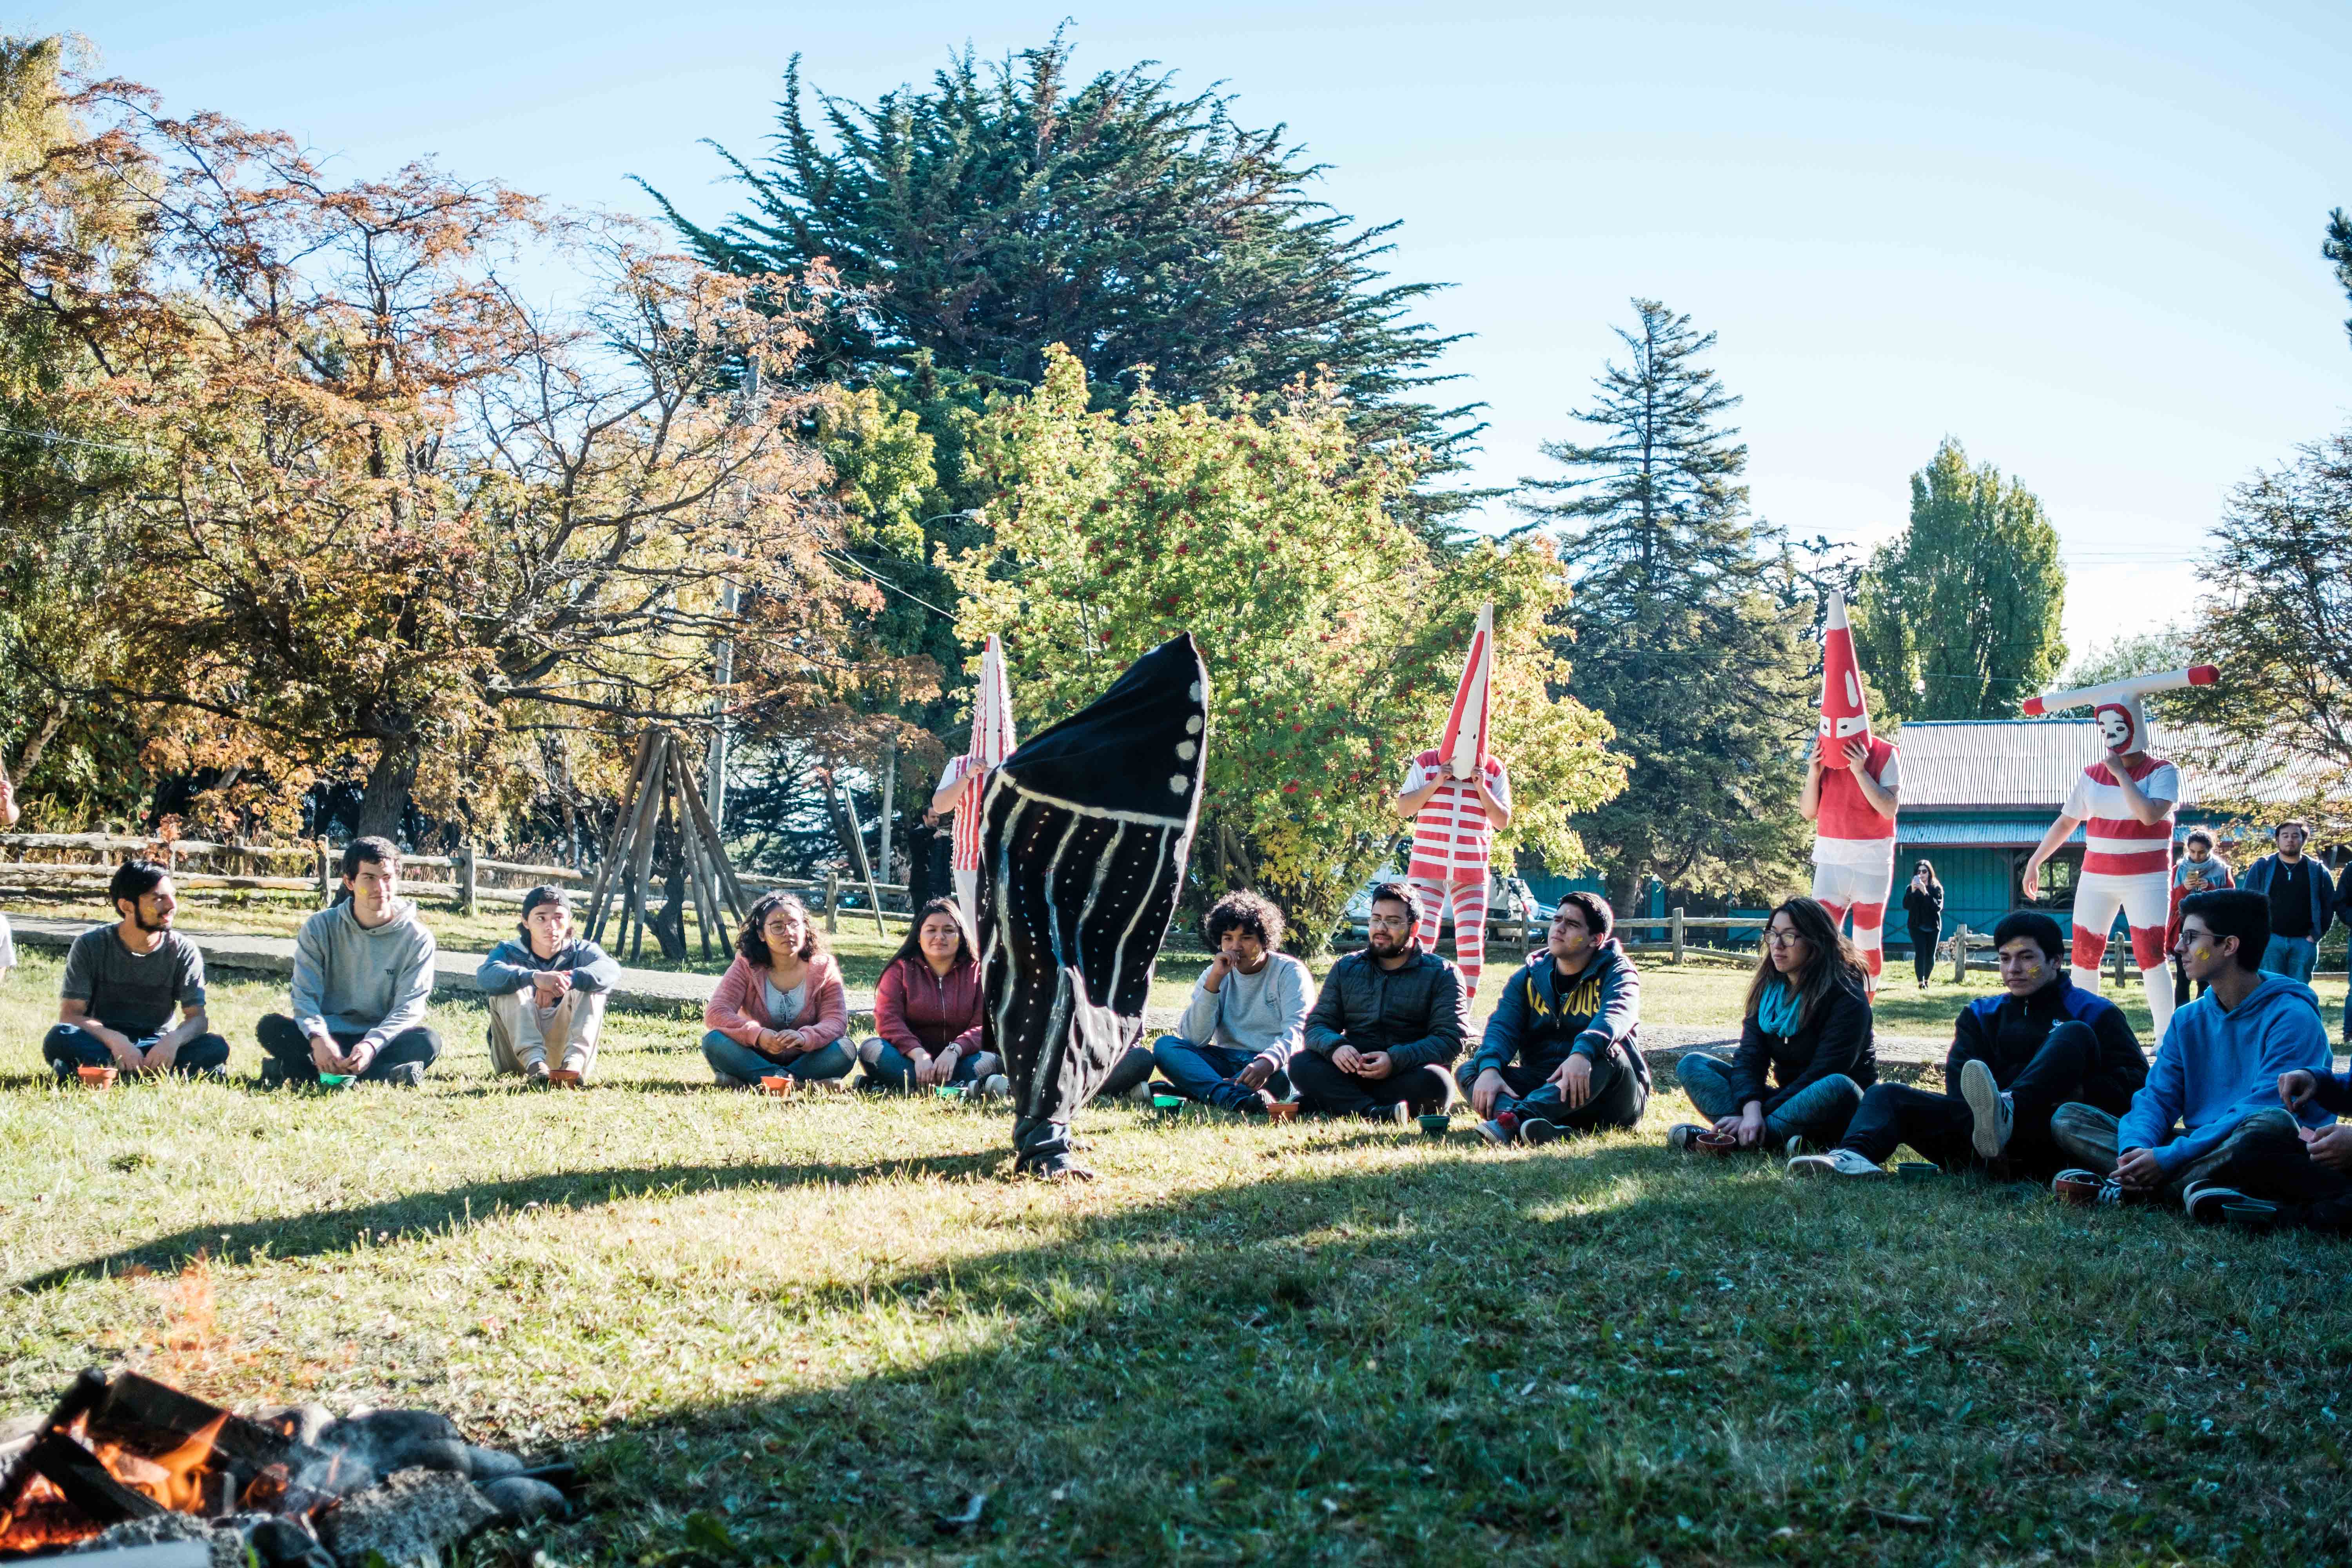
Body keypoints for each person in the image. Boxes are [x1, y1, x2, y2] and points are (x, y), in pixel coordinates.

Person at [1788, 911, 2145, 1178]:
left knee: (2074, 1034)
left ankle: (2010, 1109)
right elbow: (1961, 1091)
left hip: (2051, 1137)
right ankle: (1852, 1156)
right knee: (1888, 1095)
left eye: (2027, 958)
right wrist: (1983, 1133)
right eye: (2005, 959)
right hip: (1981, 1145)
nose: (2013, 969)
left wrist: (2075, 1090)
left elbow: (2138, 1088)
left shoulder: (2095, 1013)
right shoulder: (1981, 1014)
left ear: (2056, 961)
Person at [2049, 889, 2334, 1210]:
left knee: (2271, 1123)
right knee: (2069, 1118)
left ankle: (2136, 1190)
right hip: (2201, 1148)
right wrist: (2137, 1149)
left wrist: (2168, 1158)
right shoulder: (2187, 1019)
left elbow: (2267, 1109)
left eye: (2191, 937)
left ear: (2229, 946)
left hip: (2264, 1147)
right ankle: (2167, 1183)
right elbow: (2158, 1097)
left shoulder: (2293, 1017)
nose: (2178, 947)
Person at [2020, 675, 2192, 1041]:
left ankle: (2167, 1040)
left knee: (2151, 956)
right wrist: (2036, 860)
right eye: (2104, 726)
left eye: (2117, 725)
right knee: (2084, 956)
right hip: (2096, 877)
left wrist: (2120, 774)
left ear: (2135, 725)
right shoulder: (2090, 776)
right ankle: (2083, 1035)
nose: (2111, 733)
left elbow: (2149, 814)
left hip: (2146, 879)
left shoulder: (2162, 772)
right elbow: (2067, 821)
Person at [1673, 897, 1875, 1155]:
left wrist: (1759, 1114)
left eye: (1789, 937)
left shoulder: (1846, 995)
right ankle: (1775, 1137)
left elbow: (1826, 1071)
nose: (1777, 946)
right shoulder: (1770, 991)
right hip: (1786, 1103)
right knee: (1694, 1065)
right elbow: (1749, 1057)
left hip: (1837, 1106)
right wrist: (1751, 1110)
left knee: (1837, 1084)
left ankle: (1735, 1139)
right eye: (1772, 935)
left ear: (1816, 942)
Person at [1463, 891, 1647, 1145]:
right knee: (1474, 1069)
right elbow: (1503, 1026)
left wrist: (1581, 1054)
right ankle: (1541, 1126)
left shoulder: (1618, 971)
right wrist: (1491, 1068)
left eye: (1572, 925)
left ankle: (1514, 1120)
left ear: (1596, 939)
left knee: (1609, 1051)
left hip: (1608, 1097)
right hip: (1546, 1085)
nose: (1559, 929)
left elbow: (1616, 1013)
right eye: (1557, 920)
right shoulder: (1528, 977)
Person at [258, 837, 440, 1087]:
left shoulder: (417, 939)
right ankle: (387, 1074)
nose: (381, 888)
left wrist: (371, 1045)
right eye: (369, 878)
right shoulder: (319, 928)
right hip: (329, 1034)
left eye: (387, 878)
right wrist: (318, 1038)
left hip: (380, 1039)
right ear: (350, 882)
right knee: (271, 1028)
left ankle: (294, 1070)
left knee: (428, 1041)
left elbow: (409, 1008)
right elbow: (304, 995)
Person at [1292, 882, 1467, 1121]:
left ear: (1414, 928)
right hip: (1353, 1069)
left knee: (1437, 1083)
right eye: (1376, 919)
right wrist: (1336, 1048)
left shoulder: (1443, 974)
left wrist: (1395, 1060)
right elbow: (1317, 1025)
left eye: (1393, 922)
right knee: (1302, 1064)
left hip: (1407, 1072)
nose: (1381, 929)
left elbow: (1450, 1039)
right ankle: (1373, 1112)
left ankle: (1336, 1102)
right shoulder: (1346, 968)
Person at [43, 860, 228, 1081]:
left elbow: (197, 1019)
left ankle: (98, 1071)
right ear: (127, 906)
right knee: (60, 1037)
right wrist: (115, 1040)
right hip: (103, 1041)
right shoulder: (90, 945)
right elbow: (71, 1015)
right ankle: (161, 1073)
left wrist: (174, 1040)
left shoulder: (184, 951)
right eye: (158, 898)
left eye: (172, 896)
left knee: (216, 1046)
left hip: (156, 1046)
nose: (171, 906)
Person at [1801, 590, 1900, 996]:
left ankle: (1865, 1008)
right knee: (1818, 939)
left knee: (1866, 940)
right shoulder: (1823, 753)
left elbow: (1888, 807)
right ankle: (1815, 1007)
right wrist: (1813, 770)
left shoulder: (1886, 753)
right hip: (1831, 858)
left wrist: (1860, 770)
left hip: (1872, 860)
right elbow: (1809, 812)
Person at [1145, 890, 1312, 1115]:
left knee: (1280, 1080)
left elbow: (1298, 1030)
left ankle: (1195, 1092)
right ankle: (1234, 1097)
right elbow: (1195, 1038)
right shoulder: (1213, 974)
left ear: (1264, 940)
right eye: (1228, 938)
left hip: (1269, 1064)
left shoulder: (1290, 972)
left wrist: (1268, 1061)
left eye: (1245, 938)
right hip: (1225, 1059)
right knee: (1166, 1046)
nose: (1235, 947)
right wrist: (1215, 982)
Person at [702, 891, 854, 1087]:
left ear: (805, 929)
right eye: (778, 927)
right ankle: (798, 1084)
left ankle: (758, 1082)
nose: (788, 932)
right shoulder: (745, 966)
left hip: (808, 1058)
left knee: (845, 1049)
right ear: (761, 935)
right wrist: (757, 1035)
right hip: (755, 1056)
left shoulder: (824, 968)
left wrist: (805, 1037)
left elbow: (836, 1021)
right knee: (713, 1042)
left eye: (794, 924)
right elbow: (716, 1013)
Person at [857, 897, 1004, 1095]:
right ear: (919, 936)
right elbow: (889, 1020)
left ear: (961, 935)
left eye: (949, 930)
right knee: (872, 1049)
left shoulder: (979, 972)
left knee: (991, 1059)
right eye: (931, 930)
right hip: (910, 1059)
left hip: (961, 1059)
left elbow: (984, 1026)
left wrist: (955, 1050)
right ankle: (957, 1088)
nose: (940, 937)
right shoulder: (899, 970)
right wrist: (918, 1054)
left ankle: (901, 1086)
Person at [1395, 754, 1512, 1002]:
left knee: (1470, 942)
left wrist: (1481, 787)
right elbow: (1404, 809)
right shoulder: (1427, 762)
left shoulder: (1493, 768)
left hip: (1471, 867)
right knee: (1419, 939)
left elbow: (1502, 821)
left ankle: (1463, 1015)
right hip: (1428, 864)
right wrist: (1437, 781)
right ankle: (1412, 1009)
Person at [474, 885, 619, 1085]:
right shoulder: (509, 951)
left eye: (558, 917)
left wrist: (568, 980)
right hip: (516, 1060)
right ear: (526, 922)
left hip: (566, 1056)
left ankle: (572, 1067)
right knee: (509, 984)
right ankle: (536, 1066)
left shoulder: (582, 951)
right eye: (541, 918)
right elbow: (485, 975)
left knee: (592, 987)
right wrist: (534, 978)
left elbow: (610, 971)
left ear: (569, 920)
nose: (551, 926)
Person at [2238, 822, 2332, 982]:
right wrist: (2258, 935)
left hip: (2304, 942)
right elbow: (2247, 902)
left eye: (2296, 836)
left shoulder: (2317, 870)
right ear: (2277, 840)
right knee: (2270, 988)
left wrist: (2316, 935)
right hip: (2270, 942)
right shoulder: (2263, 867)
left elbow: (2329, 905)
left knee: (2299, 990)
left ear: (2304, 840)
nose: (2290, 840)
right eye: (2285, 836)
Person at [2169, 830, 2233, 1007]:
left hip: (2210, 931)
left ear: (2210, 850)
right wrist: (2183, 889)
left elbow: (2231, 900)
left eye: (2202, 852)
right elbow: (2172, 904)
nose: (2197, 856)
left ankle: (2204, 1012)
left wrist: (2211, 888)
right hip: (2183, 930)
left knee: (2205, 976)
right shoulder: (2179, 870)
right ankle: (2181, 1016)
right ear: (2188, 849)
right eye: (2193, 851)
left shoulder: (2221, 870)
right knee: (2183, 977)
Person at [1900, 859, 1944, 991]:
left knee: (1930, 955)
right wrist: (1914, 891)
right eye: (1919, 872)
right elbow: (1906, 906)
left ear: (1930, 873)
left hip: (1933, 926)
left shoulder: (1936, 888)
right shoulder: (1910, 888)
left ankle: (1927, 980)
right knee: (1920, 953)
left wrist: (1925, 892)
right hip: (1916, 926)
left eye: (1924, 871)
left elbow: (1937, 907)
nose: (1921, 874)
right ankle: (1921, 983)